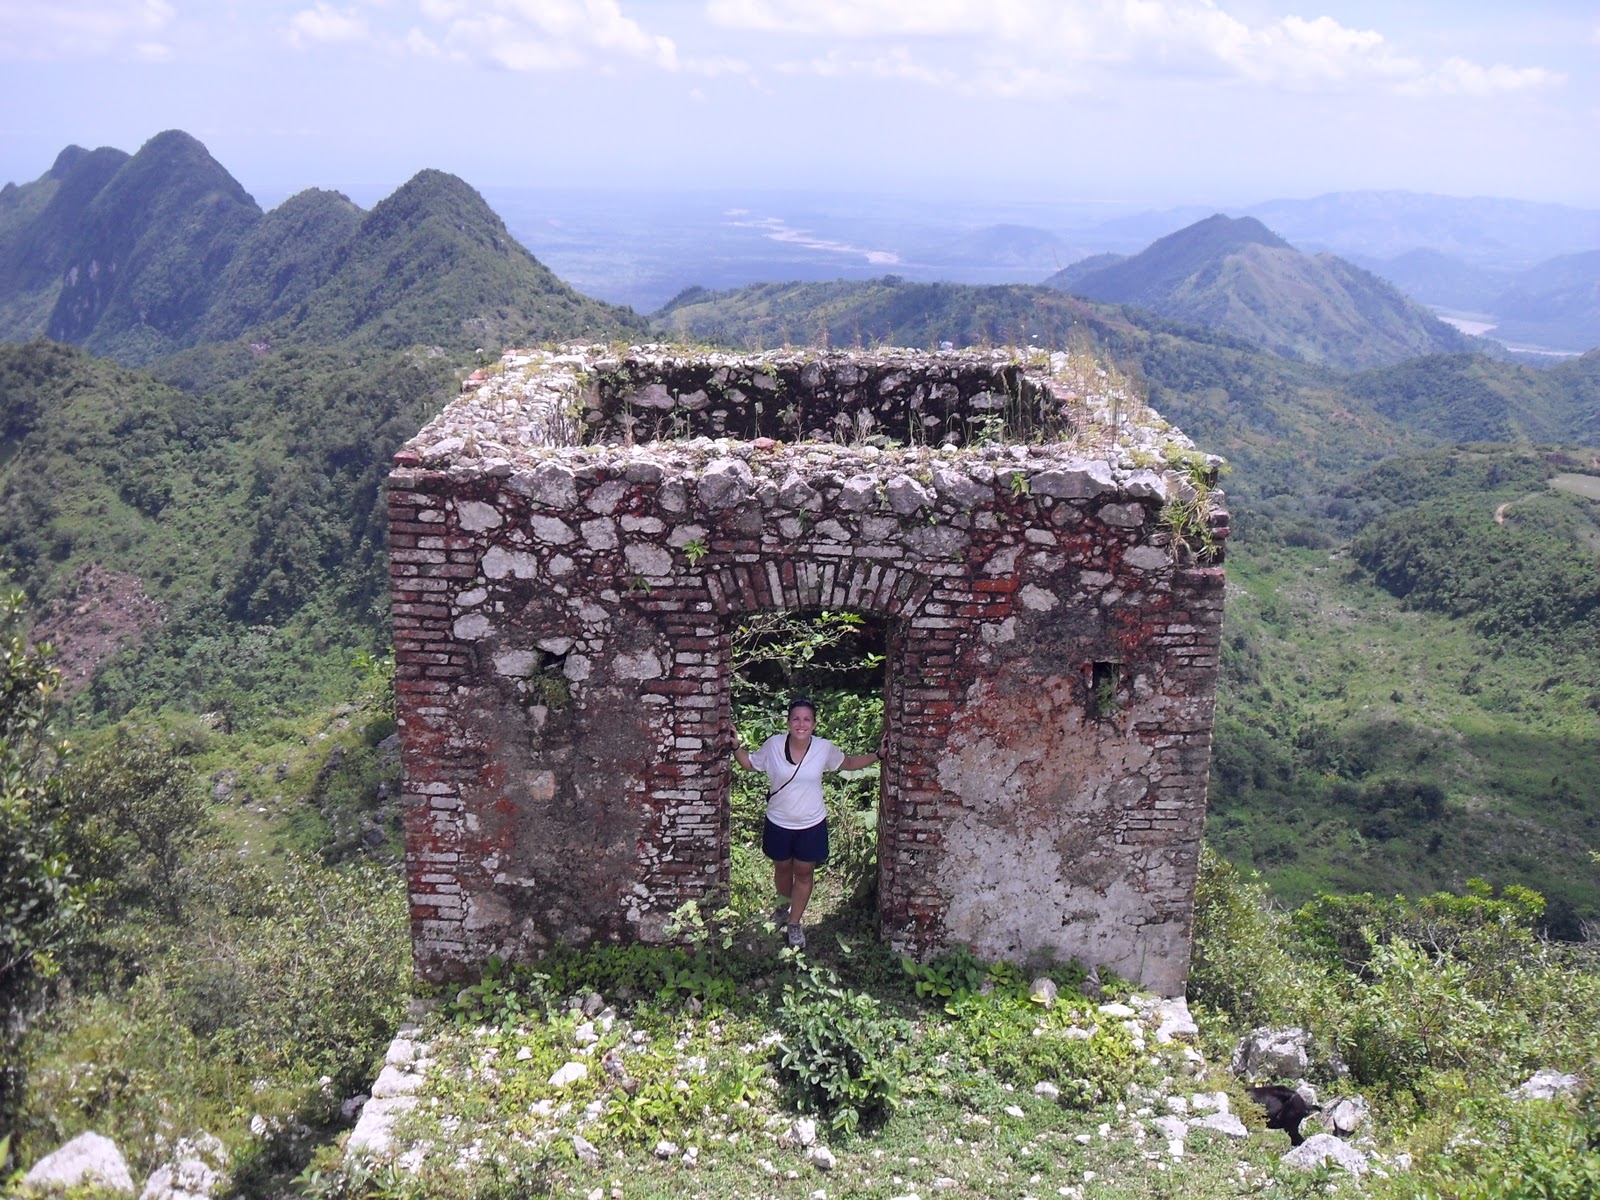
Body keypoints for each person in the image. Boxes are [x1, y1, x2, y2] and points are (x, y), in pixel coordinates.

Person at [732, 696, 883, 949]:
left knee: (803, 873)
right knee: (781, 869)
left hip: (811, 824)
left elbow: (847, 763)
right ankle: (782, 907)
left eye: (807, 719)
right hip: (778, 822)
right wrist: (736, 747)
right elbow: (749, 764)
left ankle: (794, 922)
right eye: (796, 719)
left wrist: (878, 755)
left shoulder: (823, 748)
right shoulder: (773, 745)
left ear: (813, 724)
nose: (801, 724)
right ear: (788, 722)